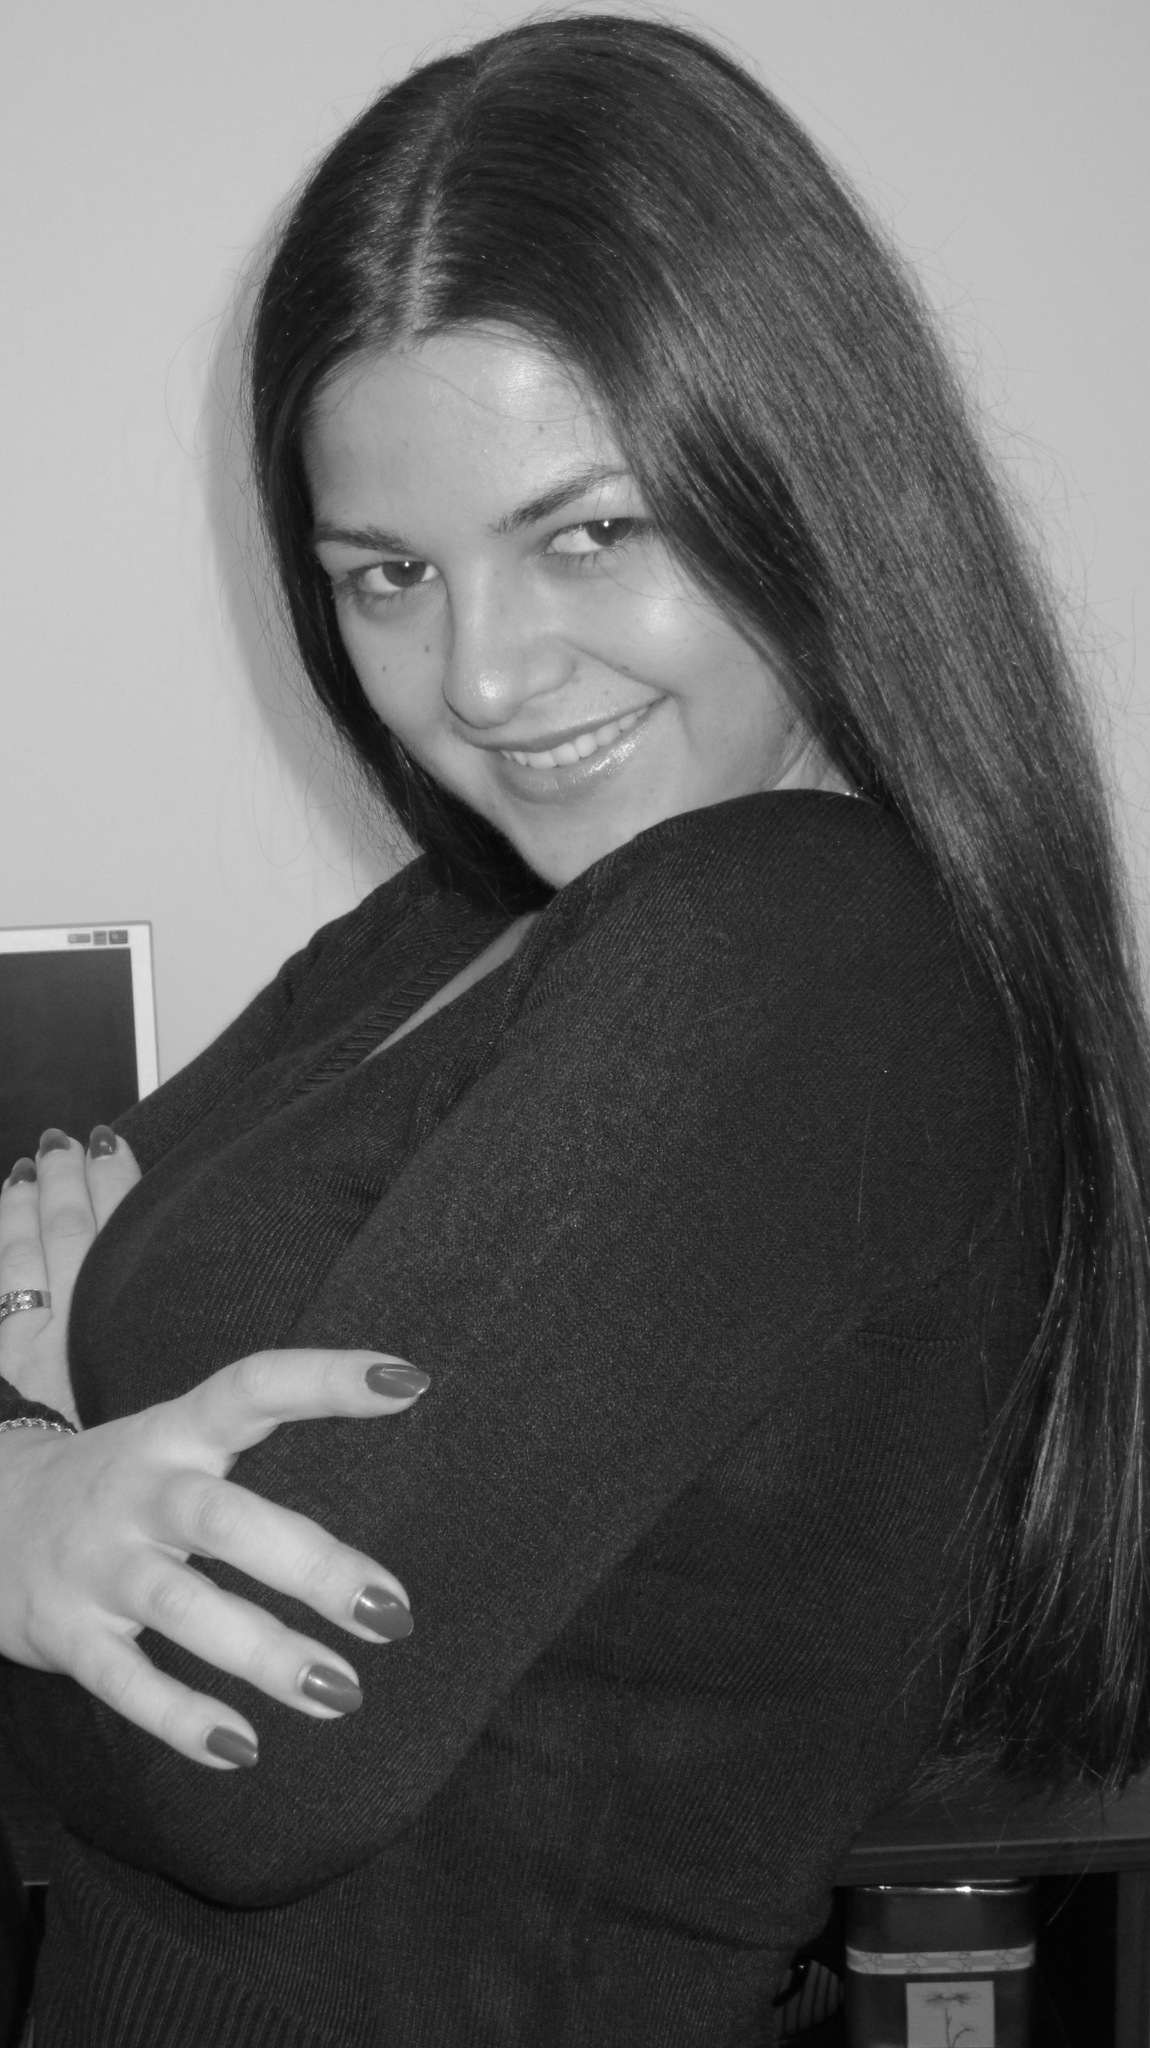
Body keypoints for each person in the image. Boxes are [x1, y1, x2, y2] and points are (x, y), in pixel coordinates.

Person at [1, 15, 1148, 2045]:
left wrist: (39, 1471)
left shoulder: (786, 939)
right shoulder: (464, 918)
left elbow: (243, 1776)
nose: (481, 677)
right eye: (386, 574)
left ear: (804, 480)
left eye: (587, 531)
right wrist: (49, 1460)